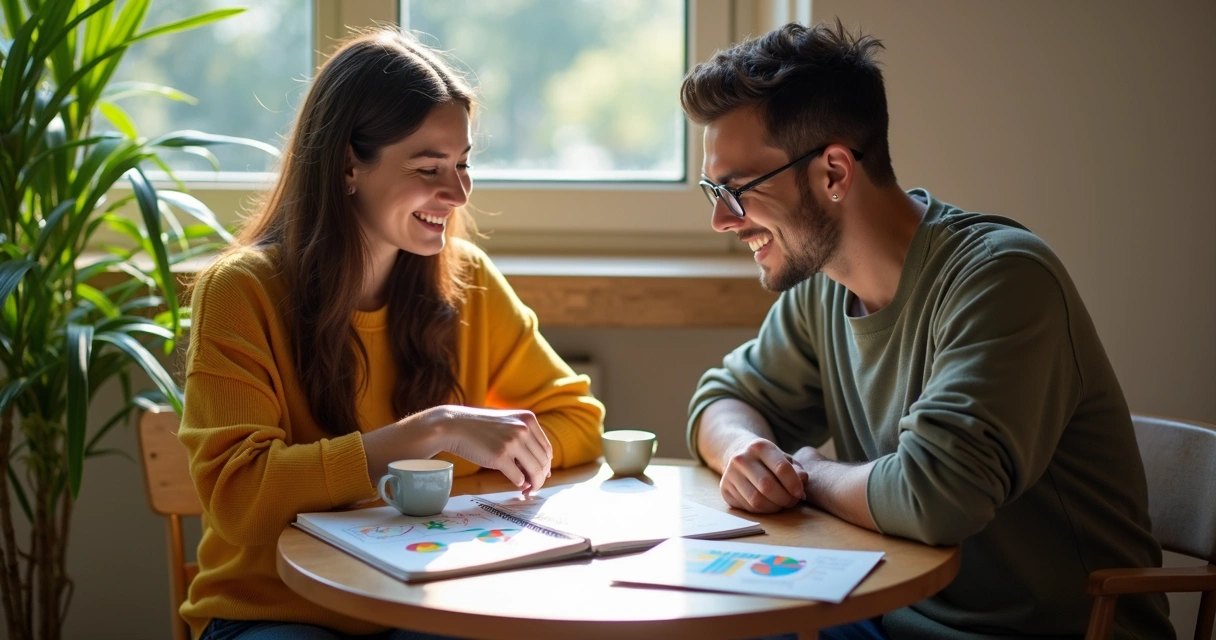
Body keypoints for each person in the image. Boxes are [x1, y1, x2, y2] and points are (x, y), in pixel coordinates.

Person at [682, 21, 1173, 640]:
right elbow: (722, 399)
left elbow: (936, 499)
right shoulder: (822, 285)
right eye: (711, 191)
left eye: (736, 191)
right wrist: (744, 452)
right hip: (896, 619)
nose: (721, 222)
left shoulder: (1001, 279)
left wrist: (806, 474)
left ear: (833, 172)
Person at [177, 29, 604, 640]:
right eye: (429, 167)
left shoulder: (468, 281)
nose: (457, 193)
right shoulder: (241, 292)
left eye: (462, 164)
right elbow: (242, 498)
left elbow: (577, 420)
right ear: (349, 164)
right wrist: (433, 432)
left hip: (422, 600)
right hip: (277, 611)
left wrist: (444, 457)